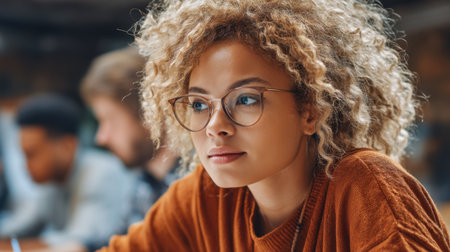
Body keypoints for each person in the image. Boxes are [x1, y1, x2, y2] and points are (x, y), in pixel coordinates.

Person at [99, 0, 450, 251]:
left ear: (310, 110)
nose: (214, 127)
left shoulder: (367, 188)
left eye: (247, 99)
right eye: (198, 104)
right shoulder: (204, 199)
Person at [10, 93, 131, 252]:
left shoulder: (100, 175)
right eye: (24, 155)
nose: (24, 165)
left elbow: (80, 243)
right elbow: (19, 228)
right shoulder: (52, 181)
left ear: (67, 145)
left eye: (32, 154)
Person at [80, 47, 180, 229]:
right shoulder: (144, 183)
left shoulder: (192, 189)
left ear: (149, 116)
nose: (101, 138)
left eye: (109, 120)